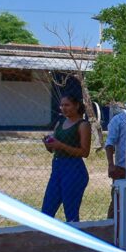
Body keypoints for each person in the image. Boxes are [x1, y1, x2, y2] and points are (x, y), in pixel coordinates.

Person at [41, 91, 92, 223]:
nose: (63, 108)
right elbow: (53, 149)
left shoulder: (83, 125)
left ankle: (74, 234)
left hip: (74, 170)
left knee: (71, 213)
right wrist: (48, 144)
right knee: (46, 210)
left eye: (67, 105)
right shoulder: (60, 122)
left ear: (76, 105)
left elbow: (85, 152)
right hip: (57, 168)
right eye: (62, 105)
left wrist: (60, 145)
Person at [104, 102, 126, 219]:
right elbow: (109, 143)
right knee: (117, 202)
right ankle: (111, 225)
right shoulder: (119, 120)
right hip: (122, 169)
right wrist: (111, 165)